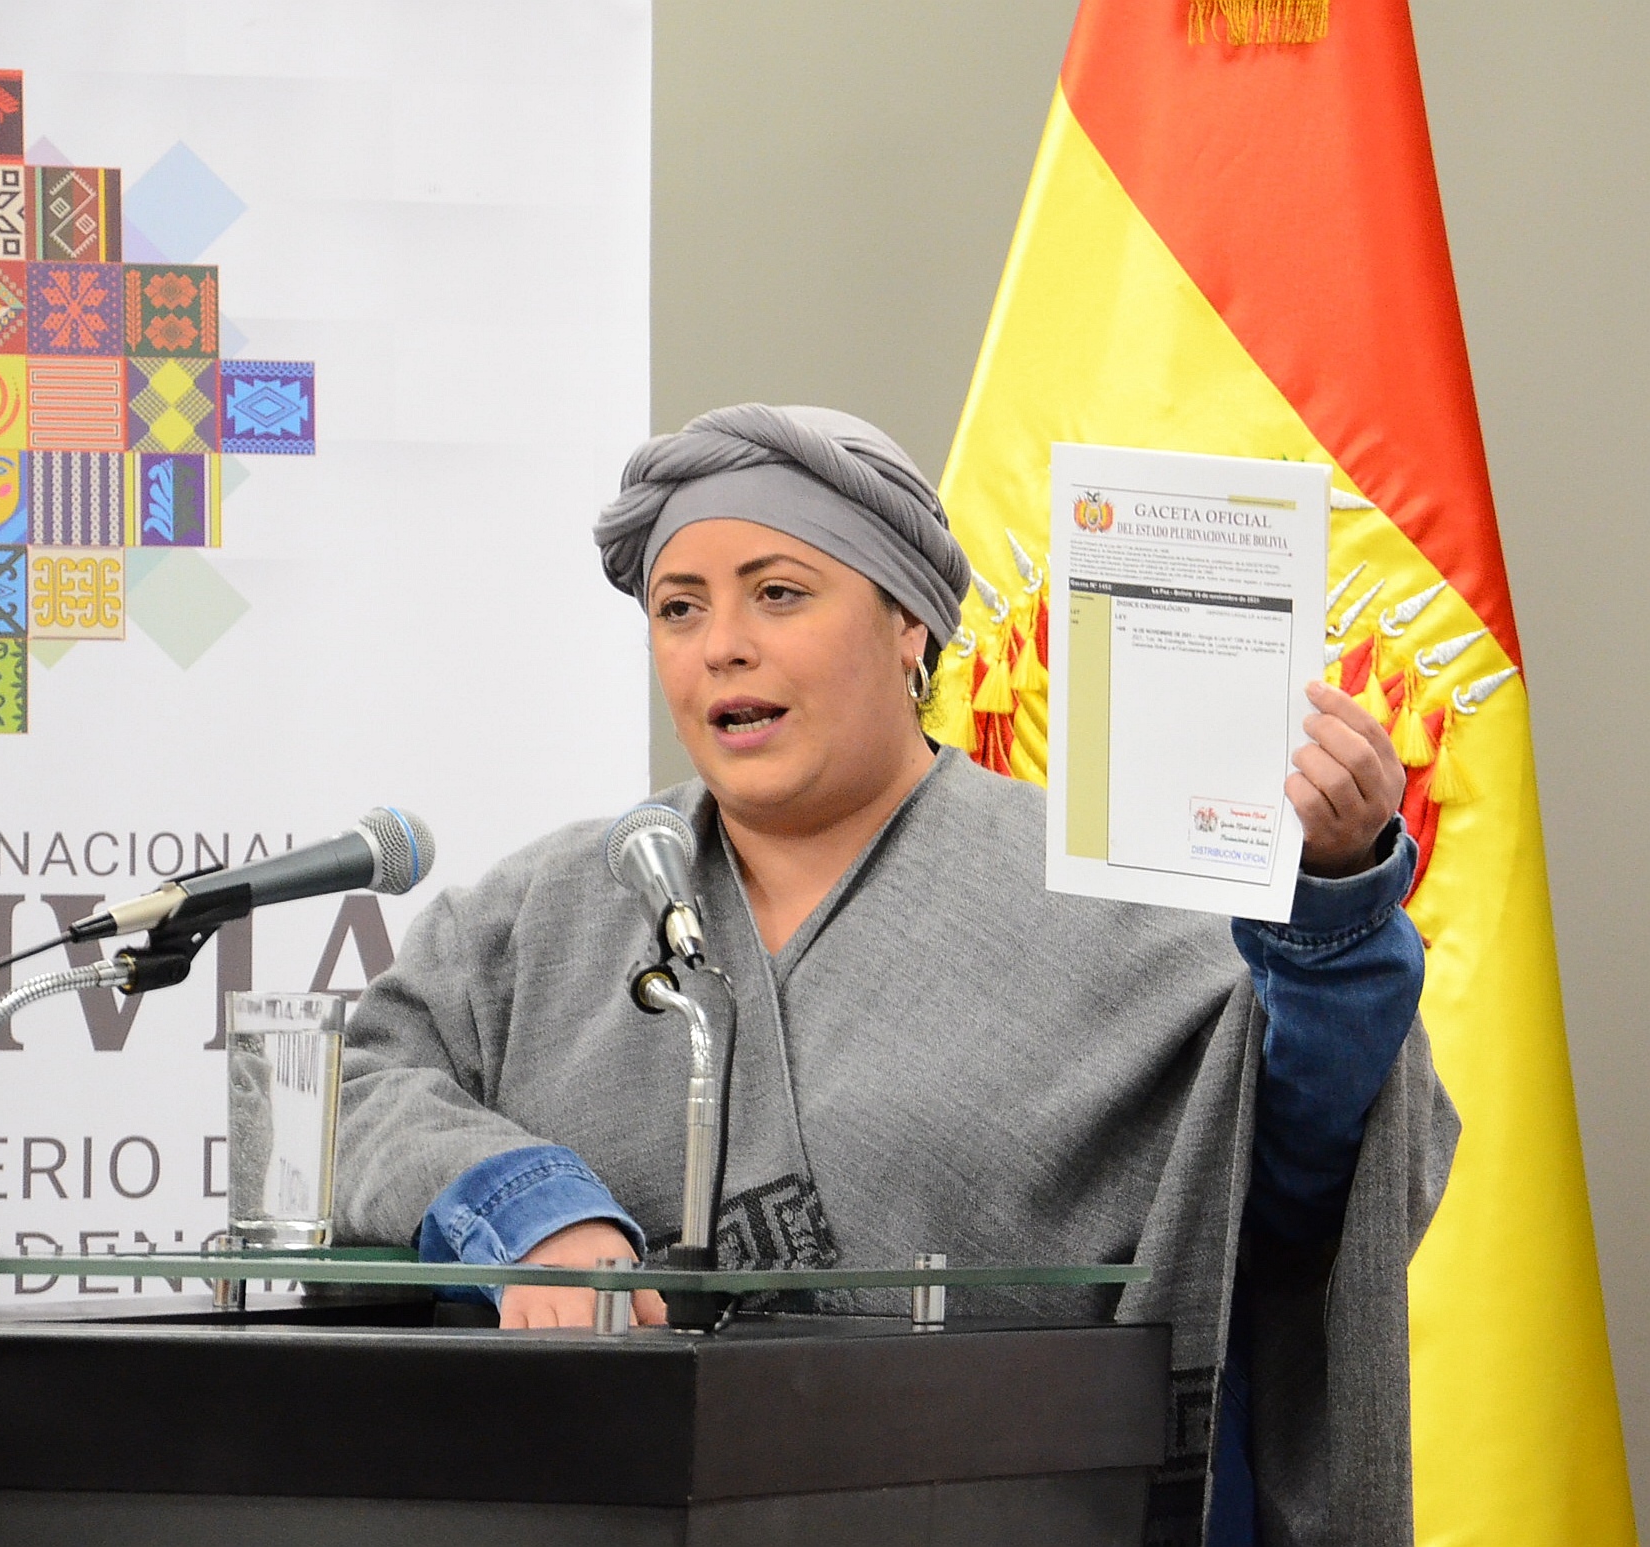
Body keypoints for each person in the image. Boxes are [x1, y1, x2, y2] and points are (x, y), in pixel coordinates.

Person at [336, 404, 1456, 1547]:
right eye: (680, 607)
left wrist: (1334, 908)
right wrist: (525, 1208)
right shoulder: (552, 903)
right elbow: (355, 1089)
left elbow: (1299, 1168)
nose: (722, 643)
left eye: (778, 593)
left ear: (908, 622)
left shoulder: (1109, 902)